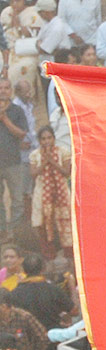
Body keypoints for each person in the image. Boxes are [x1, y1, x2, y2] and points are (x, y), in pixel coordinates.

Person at [29, 127, 71, 259]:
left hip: (61, 192)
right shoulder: (35, 155)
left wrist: (52, 161)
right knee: (43, 223)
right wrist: (44, 161)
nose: (46, 141)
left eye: (49, 138)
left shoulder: (63, 152)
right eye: (43, 139)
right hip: (42, 193)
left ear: (54, 138)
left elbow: (66, 172)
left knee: (65, 222)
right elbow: (34, 174)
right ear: (39, 141)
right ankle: (49, 256)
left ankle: (69, 256)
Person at [0, 82, 29, 237]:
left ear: (11, 91)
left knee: (17, 199)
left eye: (6, 88)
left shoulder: (17, 111)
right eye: (0, 88)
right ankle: (3, 232)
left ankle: (17, 233)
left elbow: (22, 133)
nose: (3, 91)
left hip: (13, 162)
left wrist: (5, 119)